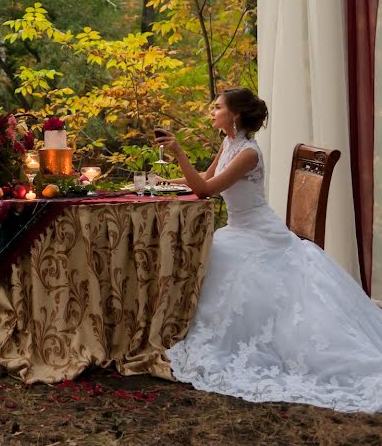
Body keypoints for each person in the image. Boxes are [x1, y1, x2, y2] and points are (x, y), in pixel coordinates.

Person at [154, 87, 382, 413]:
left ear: (234, 115)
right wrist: (163, 184)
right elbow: (202, 179)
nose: (212, 111)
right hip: (238, 230)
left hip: (258, 235)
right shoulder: (228, 143)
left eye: (217, 107)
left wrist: (179, 153)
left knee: (207, 260)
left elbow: (204, 190)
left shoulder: (248, 153)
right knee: (204, 255)